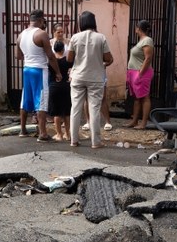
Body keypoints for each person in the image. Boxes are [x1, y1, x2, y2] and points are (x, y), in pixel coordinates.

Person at [67, 11, 113, 149]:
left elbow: (69, 59)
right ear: (93, 22)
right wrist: (101, 61)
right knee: (94, 109)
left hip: (78, 77)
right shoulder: (101, 38)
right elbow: (109, 58)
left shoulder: (75, 37)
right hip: (95, 78)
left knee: (75, 108)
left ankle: (74, 140)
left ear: (81, 23)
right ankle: (96, 142)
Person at [16, 9, 61, 142]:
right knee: (41, 100)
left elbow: (18, 56)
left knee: (25, 99)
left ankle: (23, 130)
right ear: (41, 20)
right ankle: (43, 133)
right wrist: (58, 72)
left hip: (27, 69)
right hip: (39, 70)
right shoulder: (41, 34)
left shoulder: (21, 35)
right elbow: (51, 56)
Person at [124, 20, 155, 129]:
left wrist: (140, 73)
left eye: (136, 27)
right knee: (137, 98)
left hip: (141, 72)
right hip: (135, 72)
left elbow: (148, 58)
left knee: (144, 97)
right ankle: (135, 121)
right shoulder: (141, 40)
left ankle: (143, 123)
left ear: (139, 28)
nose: (135, 29)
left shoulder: (147, 40)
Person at [47, 40, 71, 141]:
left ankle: (59, 134)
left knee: (56, 112)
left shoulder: (51, 62)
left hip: (54, 87)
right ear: (63, 49)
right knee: (66, 112)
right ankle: (68, 134)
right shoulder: (67, 61)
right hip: (65, 86)